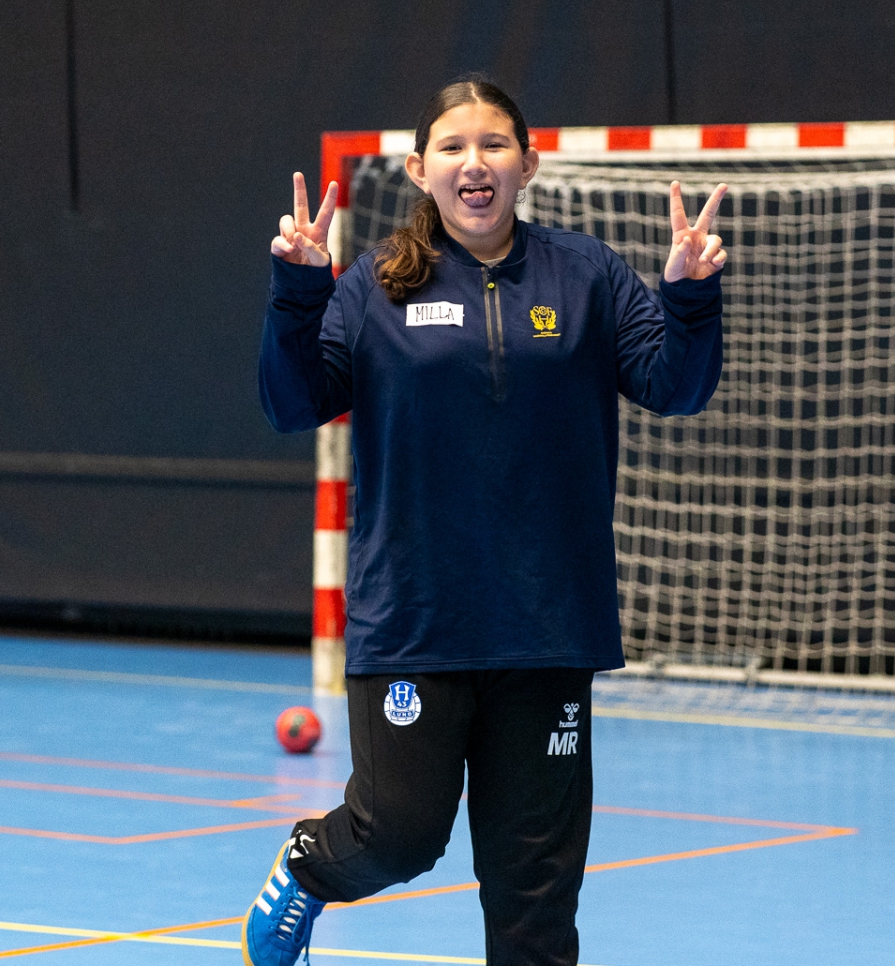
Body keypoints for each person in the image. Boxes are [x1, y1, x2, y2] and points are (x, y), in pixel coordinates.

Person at [248, 74, 727, 966]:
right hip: (416, 621)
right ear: (419, 168)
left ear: (529, 164)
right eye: (456, 147)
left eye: (496, 144)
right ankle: (309, 870)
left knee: (534, 898)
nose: (477, 163)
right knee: (398, 834)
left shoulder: (586, 277)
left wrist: (689, 296)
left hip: (549, 626)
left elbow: (677, 387)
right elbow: (289, 404)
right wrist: (295, 295)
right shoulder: (369, 288)